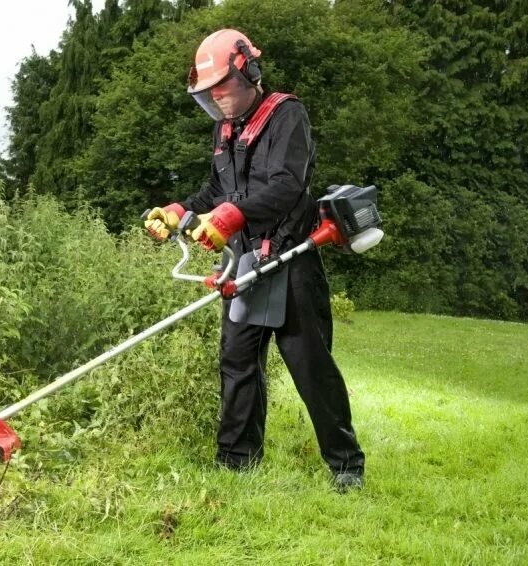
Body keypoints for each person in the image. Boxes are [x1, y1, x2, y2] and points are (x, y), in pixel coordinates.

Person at [144, 29, 365, 492]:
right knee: (238, 361)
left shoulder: (287, 115)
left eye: (221, 88)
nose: (217, 99)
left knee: (310, 364)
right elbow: (216, 190)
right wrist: (180, 210)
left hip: (292, 257)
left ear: (248, 71)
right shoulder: (225, 131)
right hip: (245, 262)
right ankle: (236, 460)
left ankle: (346, 466)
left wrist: (230, 215)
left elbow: (286, 185)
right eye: (209, 94)